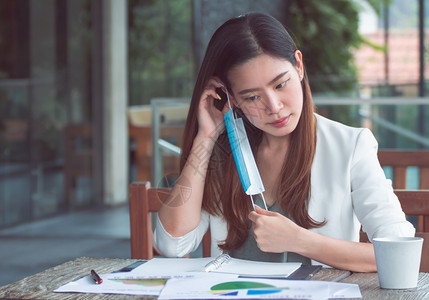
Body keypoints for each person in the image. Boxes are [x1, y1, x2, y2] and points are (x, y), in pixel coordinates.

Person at [154, 12, 415, 272]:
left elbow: (398, 252)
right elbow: (172, 244)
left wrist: (299, 240)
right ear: (230, 97)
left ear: (298, 66)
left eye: (280, 84)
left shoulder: (350, 146)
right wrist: (206, 137)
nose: (274, 107)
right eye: (252, 97)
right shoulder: (222, 151)